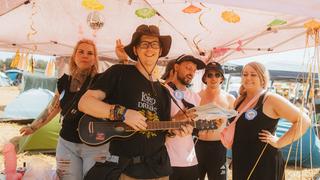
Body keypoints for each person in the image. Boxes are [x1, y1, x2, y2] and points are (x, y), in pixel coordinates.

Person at [78, 24, 193, 180]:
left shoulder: (164, 91)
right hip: (128, 171)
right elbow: (85, 103)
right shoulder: (119, 73)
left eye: (154, 45)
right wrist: (123, 113)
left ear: (160, 51)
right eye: (144, 44)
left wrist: (175, 130)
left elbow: (160, 134)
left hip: (160, 170)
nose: (149, 48)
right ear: (135, 50)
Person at [19, 39, 109, 180]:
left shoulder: (103, 80)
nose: (85, 55)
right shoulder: (64, 81)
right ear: (74, 56)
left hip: (95, 146)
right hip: (67, 144)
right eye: (81, 52)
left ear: (94, 59)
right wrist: (33, 127)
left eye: (90, 53)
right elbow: (53, 107)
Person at [231, 62, 311, 180]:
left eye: (253, 75)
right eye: (245, 74)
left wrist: (280, 142)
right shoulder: (239, 100)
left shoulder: (270, 99)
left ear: (262, 79)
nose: (248, 78)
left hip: (265, 163)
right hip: (241, 160)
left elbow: (304, 120)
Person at [164, 54, 206, 180]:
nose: (191, 73)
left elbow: (197, 128)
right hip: (166, 160)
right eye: (188, 68)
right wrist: (174, 121)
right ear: (176, 67)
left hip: (189, 160)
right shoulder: (162, 91)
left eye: (194, 70)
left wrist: (206, 125)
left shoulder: (196, 97)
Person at [196, 62, 235, 180]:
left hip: (219, 147)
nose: (213, 78)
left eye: (217, 75)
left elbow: (235, 127)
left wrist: (235, 154)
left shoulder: (230, 99)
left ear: (222, 78)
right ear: (205, 78)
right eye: (210, 75)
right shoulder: (195, 97)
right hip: (198, 145)